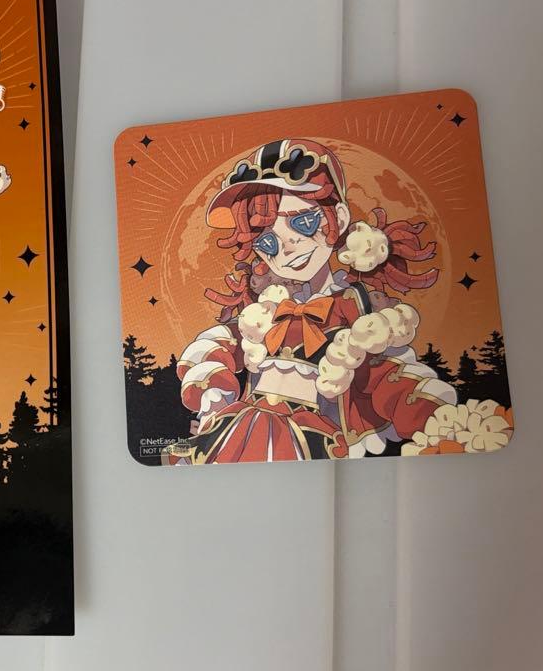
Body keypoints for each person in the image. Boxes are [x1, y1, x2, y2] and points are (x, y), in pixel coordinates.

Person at [169, 139, 510, 462]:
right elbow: (218, 346)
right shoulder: (264, 308)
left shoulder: (354, 310)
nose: (287, 249)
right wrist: (213, 397)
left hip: (315, 439)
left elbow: (387, 378)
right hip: (244, 427)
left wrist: (437, 420)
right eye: (268, 241)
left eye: (303, 223)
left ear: (340, 219)